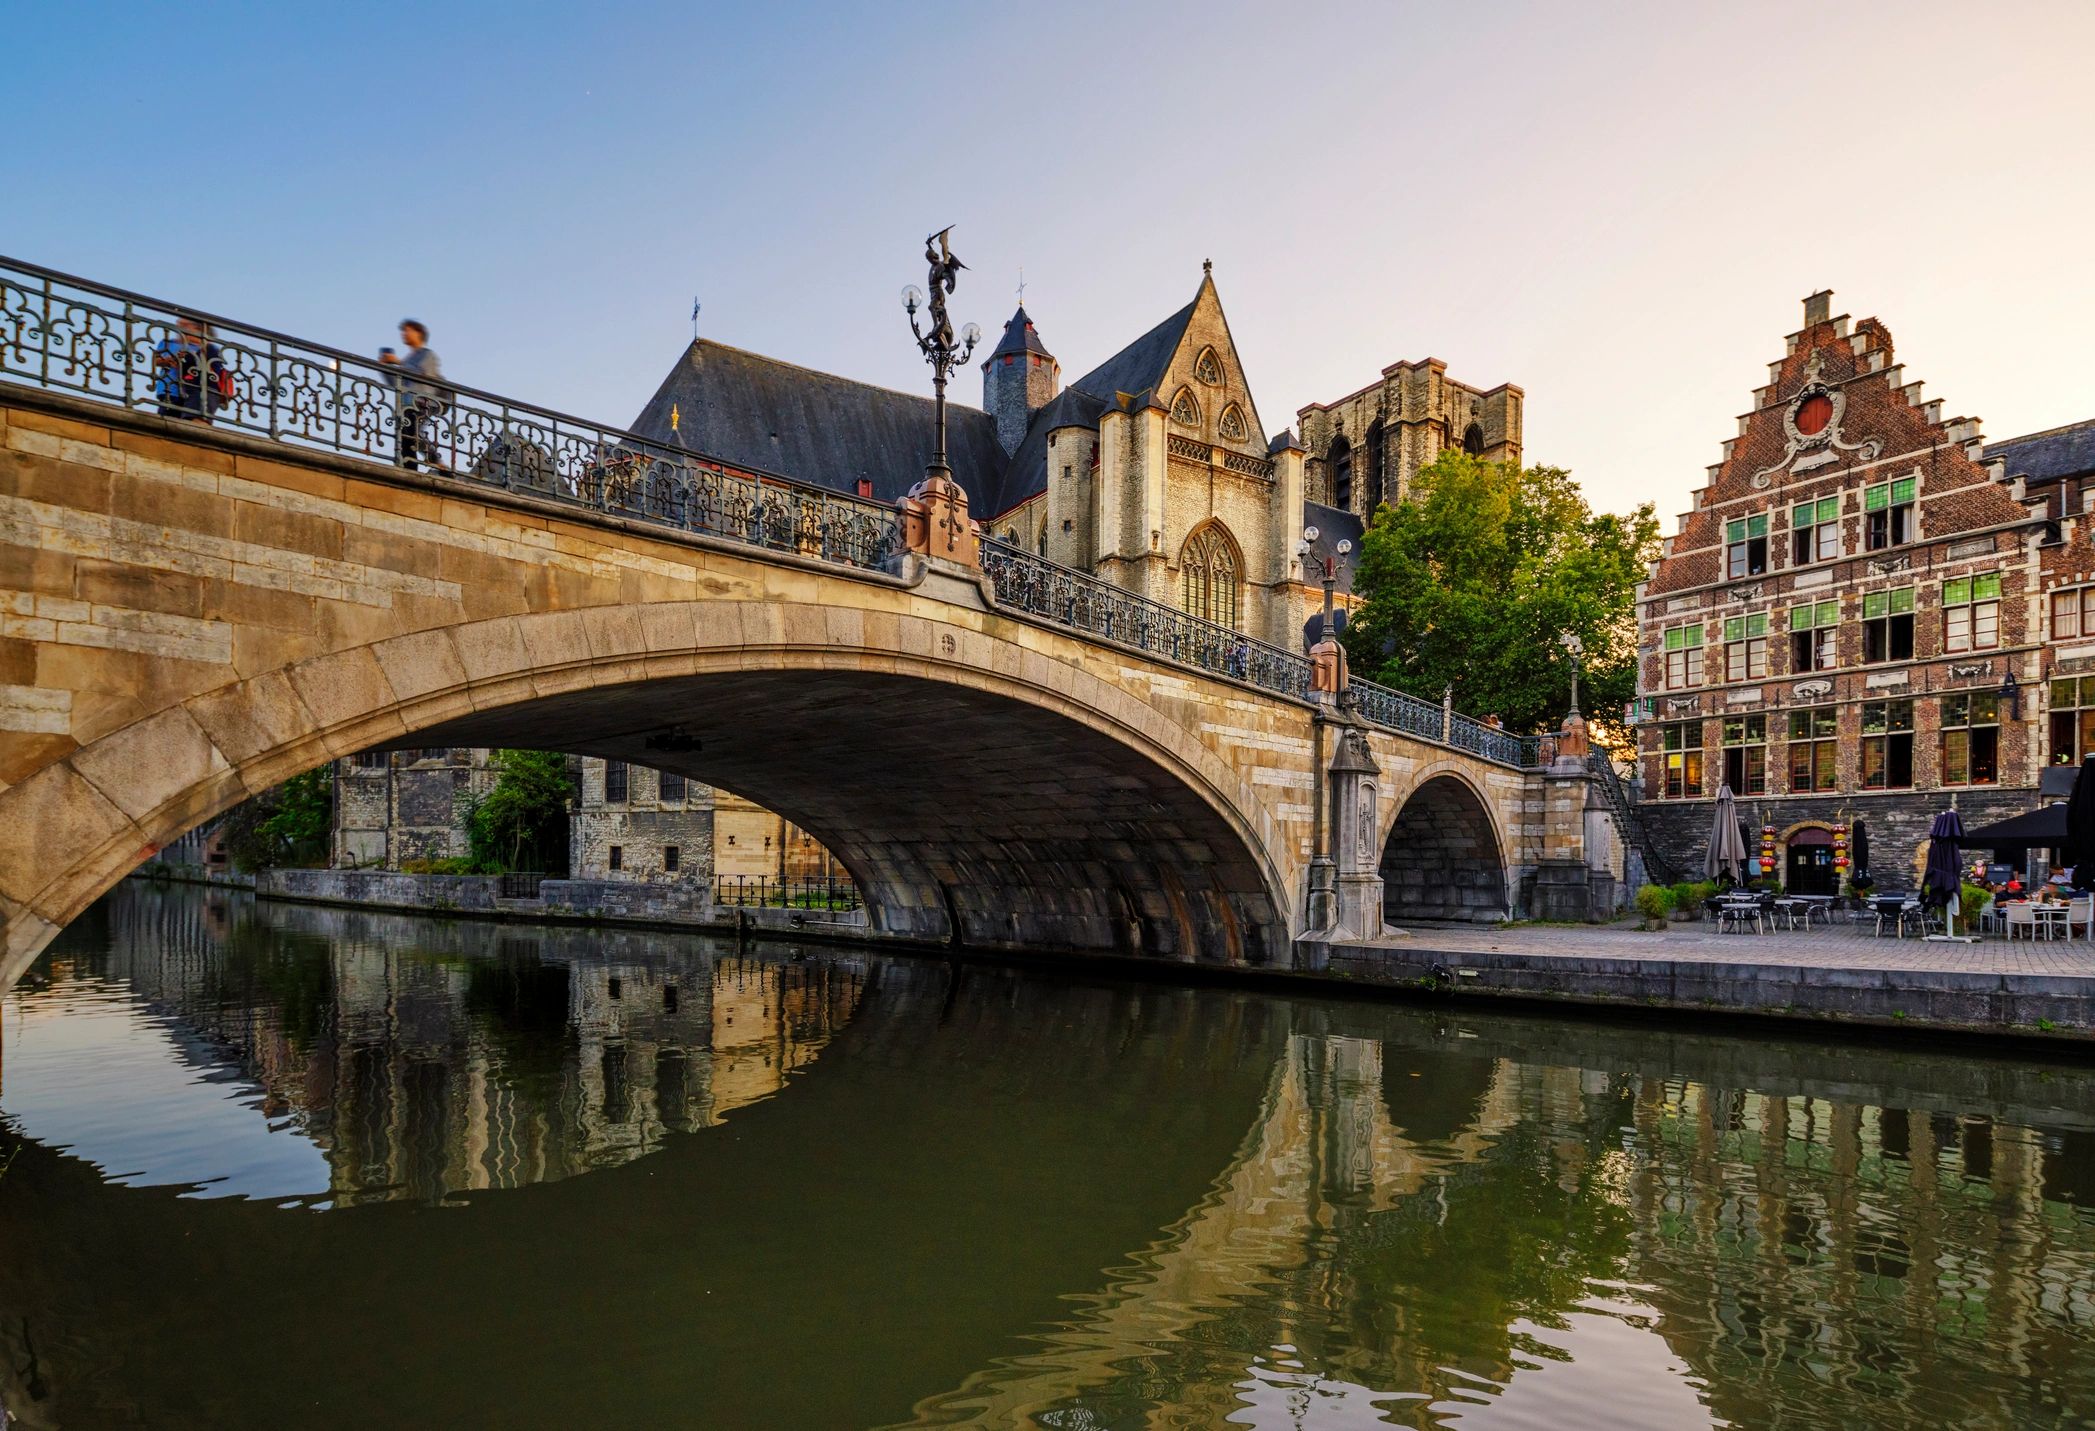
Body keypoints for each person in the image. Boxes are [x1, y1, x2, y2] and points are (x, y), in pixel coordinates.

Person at [379, 319, 445, 471]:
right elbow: (396, 382)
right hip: (406, 403)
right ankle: (414, 468)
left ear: (419, 333)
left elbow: (421, 374)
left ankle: (434, 465)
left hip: (422, 401)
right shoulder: (408, 359)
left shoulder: (428, 355)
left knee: (413, 434)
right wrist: (383, 368)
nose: (404, 334)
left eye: (408, 330)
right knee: (407, 437)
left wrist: (398, 362)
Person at [151, 316, 228, 423]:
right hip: (169, 389)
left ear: (198, 329)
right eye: (179, 324)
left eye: (185, 325)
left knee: (189, 420)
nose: (180, 328)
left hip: (192, 392)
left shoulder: (207, 347)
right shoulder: (168, 342)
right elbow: (156, 361)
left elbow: (213, 371)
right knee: (165, 422)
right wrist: (170, 360)